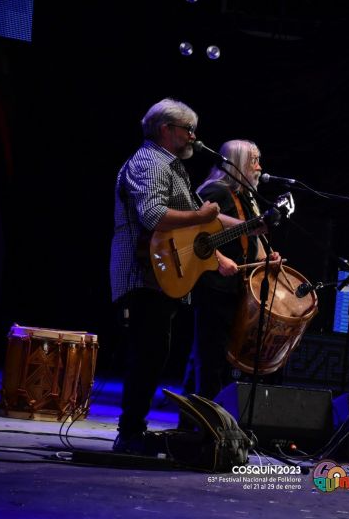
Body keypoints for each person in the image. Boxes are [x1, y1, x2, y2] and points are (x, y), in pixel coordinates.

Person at [109, 98, 242, 453]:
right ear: (166, 130)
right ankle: (129, 434)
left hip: (159, 276)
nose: (194, 138)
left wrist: (248, 227)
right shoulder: (150, 162)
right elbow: (154, 216)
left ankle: (134, 430)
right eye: (188, 130)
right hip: (142, 273)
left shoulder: (170, 165)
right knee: (146, 354)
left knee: (154, 354)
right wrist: (201, 218)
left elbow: (202, 216)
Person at [188, 139, 280, 402]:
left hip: (233, 288)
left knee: (217, 360)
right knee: (209, 360)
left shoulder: (243, 196)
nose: (259, 167)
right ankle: (200, 425)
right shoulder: (216, 191)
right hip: (213, 285)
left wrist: (267, 257)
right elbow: (192, 232)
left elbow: (248, 239)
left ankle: (202, 422)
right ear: (238, 163)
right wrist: (218, 259)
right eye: (254, 161)